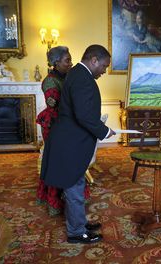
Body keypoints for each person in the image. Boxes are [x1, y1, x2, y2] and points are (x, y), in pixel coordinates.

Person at [40, 44, 116, 244]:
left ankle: (79, 224)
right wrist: (104, 130)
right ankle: (76, 232)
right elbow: (83, 115)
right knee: (74, 188)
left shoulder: (76, 73)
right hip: (69, 142)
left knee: (77, 184)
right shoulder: (82, 78)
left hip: (68, 139)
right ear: (93, 60)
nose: (104, 71)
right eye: (104, 66)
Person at [36, 46, 75, 216]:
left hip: (66, 123)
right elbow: (55, 104)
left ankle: (70, 196)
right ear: (56, 62)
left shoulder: (68, 76)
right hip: (54, 126)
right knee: (57, 162)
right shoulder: (50, 81)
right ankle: (55, 201)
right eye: (67, 60)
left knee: (67, 161)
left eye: (70, 59)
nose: (71, 63)